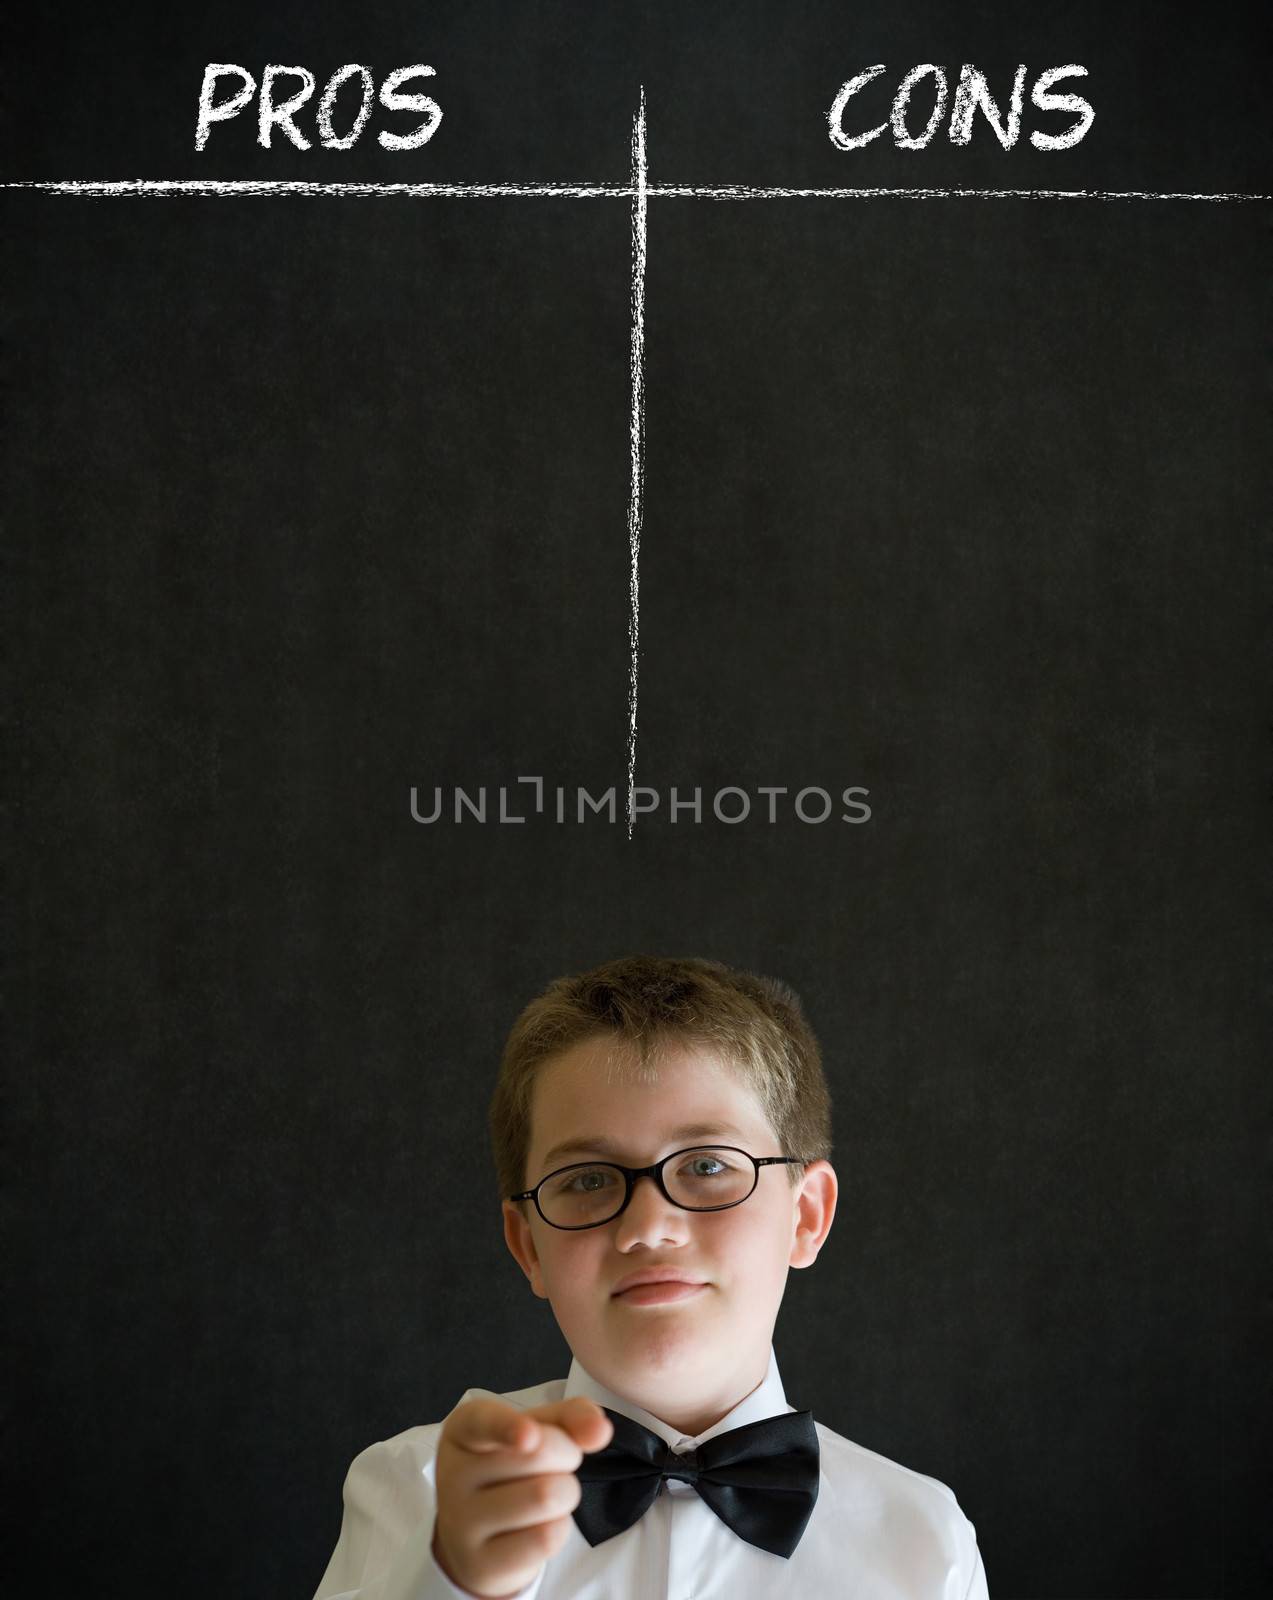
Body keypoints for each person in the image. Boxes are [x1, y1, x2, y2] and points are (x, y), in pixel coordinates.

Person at [312, 954, 989, 1599]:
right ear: (528, 1248)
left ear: (805, 1216)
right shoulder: (417, 1486)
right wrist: (449, 1583)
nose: (647, 1227)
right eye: (587, 1180)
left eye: (705, 1165)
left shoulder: (924, 1540)